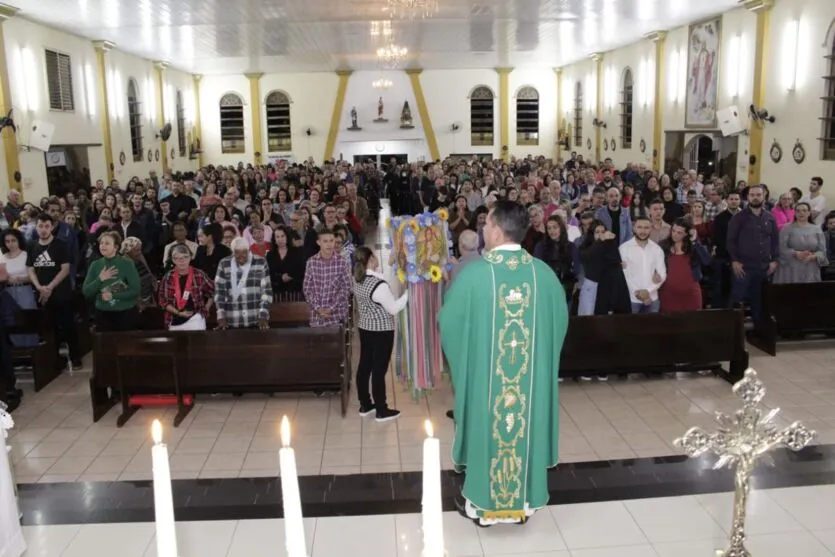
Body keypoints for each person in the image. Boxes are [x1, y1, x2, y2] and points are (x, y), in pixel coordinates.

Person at [438, 200, 568, 527]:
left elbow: (449, 323)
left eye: (486, 224)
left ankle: (484, 508)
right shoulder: (544, 275)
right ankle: (522, 505)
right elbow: (559, 325)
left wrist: (470, 358)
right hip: (528, 384)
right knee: (523, 425)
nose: (483, 229)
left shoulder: (475, 275)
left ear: (496, 229)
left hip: (488, 382)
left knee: (491, 429)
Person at [352, 246, 408, 422]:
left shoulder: (357, 279)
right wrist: (408, 295)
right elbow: (393, 308)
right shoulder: (379, 285)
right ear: (371, 260)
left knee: (364, 366)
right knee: (378, 370)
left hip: (365, 328)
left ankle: (365, 404)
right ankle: (382, 409)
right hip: (382, 331)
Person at [26, 213, 83, 370]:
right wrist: (39, 287)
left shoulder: (61, 244)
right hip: (42, 292)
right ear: (36, 227)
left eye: (46, 226)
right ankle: (55, 358)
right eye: (40, 226)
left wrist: (50, 287)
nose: (43, 229)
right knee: (49, 327)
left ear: (52, 227)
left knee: (67, 325)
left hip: (60, 292)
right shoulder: (31, 245)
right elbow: (30, 269)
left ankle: (75, 356)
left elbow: (65, 269)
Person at [727, 184, 778, 328]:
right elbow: (730, 242)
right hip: (743, 267)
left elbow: (774, 241)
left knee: (759, 301)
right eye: (752, 195)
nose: (755, 198)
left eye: (758, 195)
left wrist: (774, 261)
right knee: (737, 299)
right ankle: (731, 331)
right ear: (748, 197)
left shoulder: (770, 217)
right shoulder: (738, 218)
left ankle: (759, 332)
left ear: (764, 196)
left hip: (763, 267)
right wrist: (735, 260)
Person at [82, 231, 141, 331]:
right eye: (101, 243)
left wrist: (113, 296)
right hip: (103, 314)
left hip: (125, 313)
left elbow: (136, 290)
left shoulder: (127, 264)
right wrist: (100, 279)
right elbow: (86, 292)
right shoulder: (95, 265)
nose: (102, 246)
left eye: (107, 243)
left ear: (116, 247)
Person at [214, 237, 273, 330]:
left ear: (249, 250)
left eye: (244, 252)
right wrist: (221, 316)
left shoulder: (261, 262)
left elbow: (266, 292)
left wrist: (263, 315)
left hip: (256, 321)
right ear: (232, 252)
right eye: (237, 252)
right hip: (232, 321)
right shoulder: (224, 263)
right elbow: (219, 292)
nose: (241, 256)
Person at [659, 219, 711, 312]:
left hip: (691, 294)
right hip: (668, 294)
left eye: (679, 232)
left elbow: (707, 261)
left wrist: (695, 241)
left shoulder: (694, 247)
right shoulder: (663, 246)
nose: (674, 234)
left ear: (686, 234)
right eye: (673, 231)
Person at [159, 244, 216, 330]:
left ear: (191, 257)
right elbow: (163, 301)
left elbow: (213, 291)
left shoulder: (199, 274)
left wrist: (206, 308)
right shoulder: (168, 277)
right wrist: (178, 313)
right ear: (173, 260)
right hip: (173, 320)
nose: (182, 261)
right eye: (177, 258)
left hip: (196, 319)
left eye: (185, 257)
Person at [303, 229, 352, 327]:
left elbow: (346, 288)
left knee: (337, 340)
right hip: (317, 316)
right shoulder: (311, 262)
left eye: (331, 240)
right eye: (325, 241)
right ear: (318, 242)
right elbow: (307, 289)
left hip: (337, 315)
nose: (329, 244)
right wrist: (318, 308)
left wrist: (331, 308)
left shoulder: (341, 262)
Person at [619, 216, 667, 314]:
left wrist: (647, 291)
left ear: (651, 229)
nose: (643, 231)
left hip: (652, 299)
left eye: (646, 228)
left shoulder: (657, 249)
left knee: (652, 329)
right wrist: (637, 293)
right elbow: (624, 275)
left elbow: (662, 274)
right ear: (634, 228)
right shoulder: (624, 248)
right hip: (631, 299)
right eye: (639, 227)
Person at [0, 228, 37, 348]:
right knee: (12, 320)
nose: (10, 244)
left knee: (28, 319)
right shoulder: (3, 258)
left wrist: (21, 279)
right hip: (8, 291)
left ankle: (33, 348)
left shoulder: (26, 255)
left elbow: (34, 276)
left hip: (25, 290)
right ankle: (18, 349)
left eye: (13, 240)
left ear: (18, 240)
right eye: (7, 241)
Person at [774, 202, 828, 284]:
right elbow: (781, 248)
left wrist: (814, 256)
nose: (801, 213)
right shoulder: (786, 228)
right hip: (791, 269)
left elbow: (822, 251)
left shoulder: (817, 229)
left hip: (810, 268)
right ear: (794, 213)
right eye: (798, 211)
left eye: (804, 210)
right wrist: (795, 253)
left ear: (809, 213)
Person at [266, 226, 305, 298]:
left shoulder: (297, 252)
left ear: (287, 237)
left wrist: (290, 276)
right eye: (277, 237)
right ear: (274, 239)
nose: (280, 239)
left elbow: (302, 270)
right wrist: (281, 278)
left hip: (295, 292)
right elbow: (268, 274)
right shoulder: (270, 255)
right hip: (277, 293)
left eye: (282, 236)